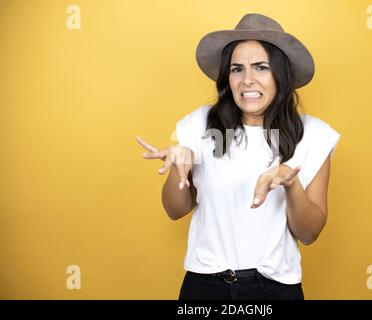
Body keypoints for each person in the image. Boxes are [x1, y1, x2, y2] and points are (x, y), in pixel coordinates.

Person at [136, 13, 341, 300]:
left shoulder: (315, 135)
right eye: (236, 69)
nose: (247, 80)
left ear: (280, 75)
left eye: (260, 67)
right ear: (227, 77)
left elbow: (308, 233)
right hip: (204, 286)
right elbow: (175, 210)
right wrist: (177, 168)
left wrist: (290, 183)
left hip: (275, 289)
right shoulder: (199, 125)